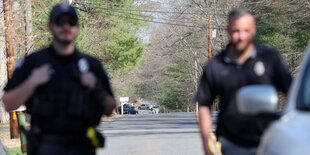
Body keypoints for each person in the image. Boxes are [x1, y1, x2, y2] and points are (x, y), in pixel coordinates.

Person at [2, 2, 116, 155]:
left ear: (77, 27)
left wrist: (96, 86)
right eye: (60, 22)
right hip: (45, 146)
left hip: (82, 146)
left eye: (71, 22)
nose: (66, 26)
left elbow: (110, 108)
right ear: (50, 26)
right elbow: (8, 103)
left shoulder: (91, 65)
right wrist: (33, 81)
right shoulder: (33, 63)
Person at [196, 8, 292, 155]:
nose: (241, 36)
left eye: (246, 30)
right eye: (236, 31)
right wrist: (206, 146)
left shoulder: (270, 58)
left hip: (269, 142)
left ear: (254, 30)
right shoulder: (216, 65)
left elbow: (292, 92)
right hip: (232, 142)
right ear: (228, 31)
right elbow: (204, 105)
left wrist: (284, 125)